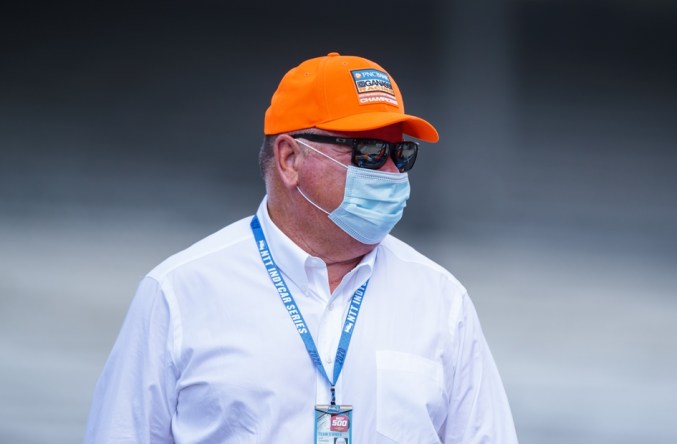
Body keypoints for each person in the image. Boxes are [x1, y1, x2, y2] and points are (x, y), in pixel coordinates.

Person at [84, 52, 518, 443]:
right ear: (290, 159)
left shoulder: (441, 301)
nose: (390, 170)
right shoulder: (179, 293)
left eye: (402, 153)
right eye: (368, 151)